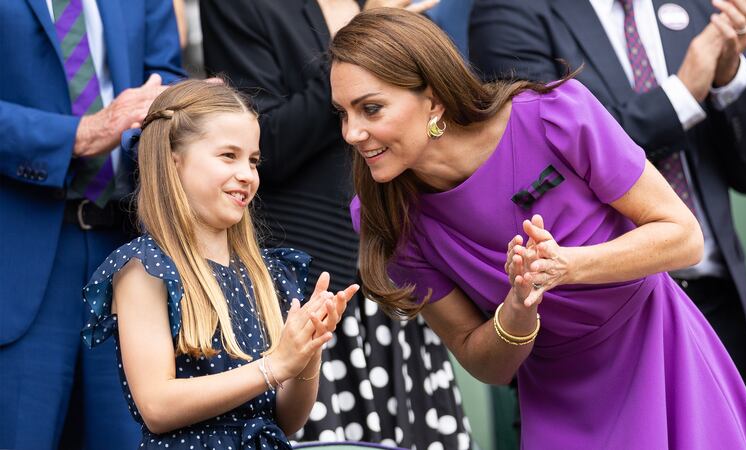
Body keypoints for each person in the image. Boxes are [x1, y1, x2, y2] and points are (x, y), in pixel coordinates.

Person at [331, 8, 746, 449]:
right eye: (342, 114)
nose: (351, 132)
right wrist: (516, 311)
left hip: (660, 352)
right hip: (557, 397)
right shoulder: (383, 214)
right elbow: (486, 364)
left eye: (370, 109)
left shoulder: (554, 115)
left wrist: (566, 266)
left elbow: (683, 236)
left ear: (434, 98)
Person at [469, 0, 746, 408]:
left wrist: (728, 76)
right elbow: (545, 151)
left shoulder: (696, 5)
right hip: (602, 325)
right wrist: (680, 95)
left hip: (716, 312)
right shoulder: (509, 11)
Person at [200, 1, 471, 447]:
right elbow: (265, 147)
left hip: (396, 267)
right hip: (309, 289)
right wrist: (367, 30)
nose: (353, 131)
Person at [80, 80, 359, 449]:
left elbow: (287, 420)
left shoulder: (268, 274)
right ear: (173, 161)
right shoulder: (146, 268)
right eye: (229, 156)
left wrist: (306, 353)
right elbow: (157, 406)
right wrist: (273, 367)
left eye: (254, 160)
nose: (247, 173)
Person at [0, 1, 183, 448]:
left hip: (129, 253)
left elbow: (164, 80)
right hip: (19, 256)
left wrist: (186, 107)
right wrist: (79, 134)